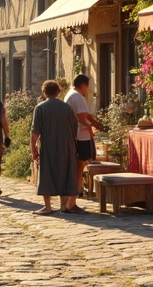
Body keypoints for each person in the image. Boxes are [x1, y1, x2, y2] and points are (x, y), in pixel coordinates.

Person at [29, 79, 80, 215]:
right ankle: (63, 206)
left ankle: (48, 206)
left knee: (47, 173)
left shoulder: (40, 108)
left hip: (48, 145)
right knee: (64, 173)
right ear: (58, 91)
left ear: (44, 92)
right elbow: (75, 128)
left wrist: (33, 150)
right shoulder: (66, 107)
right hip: (66, 145)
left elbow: (35, 133)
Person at [63, 74, 104, 211]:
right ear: (83, 85)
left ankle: (70, 201)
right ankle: (72, 202)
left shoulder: (71, 94)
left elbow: (86, 115)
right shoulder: (78, 97)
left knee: (78, 167)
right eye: (88, 86)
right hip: (81, 136)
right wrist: (93, 126)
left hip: (76, 135)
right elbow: (82, 118)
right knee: (79, 167)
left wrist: (95, 122)